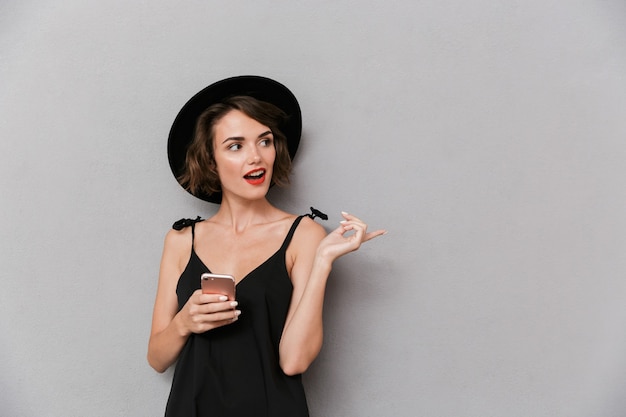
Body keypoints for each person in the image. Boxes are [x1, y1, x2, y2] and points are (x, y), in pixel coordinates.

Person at [147, 76, 386, 417]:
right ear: (211, 161)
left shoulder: (304, 234)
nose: (256, 157)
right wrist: (185, 322)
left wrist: (322, 263)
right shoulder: (181, 240)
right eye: (235, 146)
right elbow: (157, 358)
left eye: (265, 141)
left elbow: (294, 361)